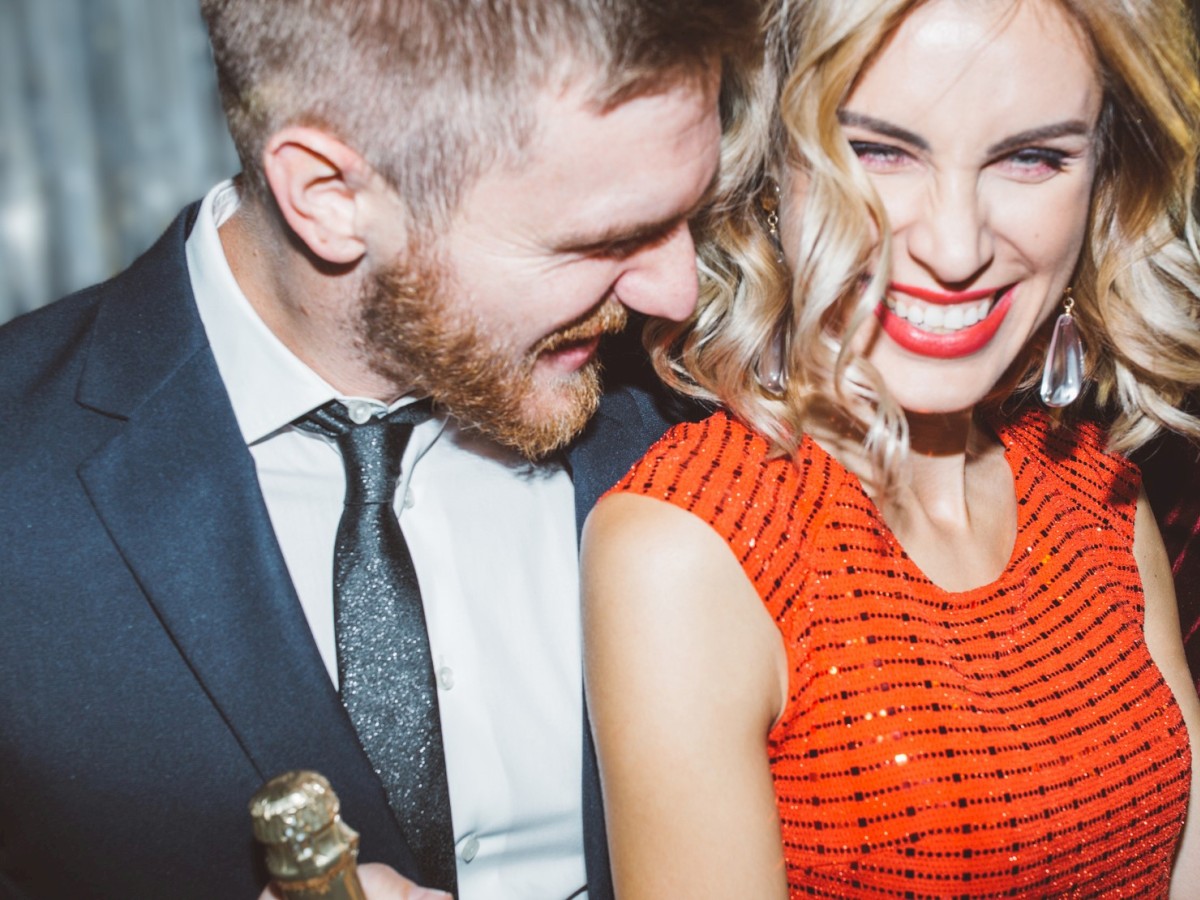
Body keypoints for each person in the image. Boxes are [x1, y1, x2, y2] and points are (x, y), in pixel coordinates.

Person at [0, 1, 758, 897]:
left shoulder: (717, 400)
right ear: (327, 197)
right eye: (604, 239)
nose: (676, 290)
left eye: (687, 216)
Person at [583, 0, 1200, 896]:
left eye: (1032, 157)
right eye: (878, 151)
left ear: (1104, 180)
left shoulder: (1099, 489)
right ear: (770, 172)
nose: (956, 248)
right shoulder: (690, 544)